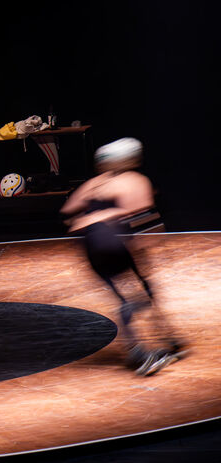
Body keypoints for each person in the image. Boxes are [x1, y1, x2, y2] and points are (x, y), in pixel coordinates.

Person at [61, 137, 184, 376]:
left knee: (124, 297)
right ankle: (163, 339)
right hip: (113, 240)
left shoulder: (92, 184)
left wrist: (90, 218)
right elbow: (144, 219)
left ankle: (139, 348)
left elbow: (68, 212)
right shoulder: (134, 180)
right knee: (142, 289)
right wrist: (140, 241)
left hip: (91, 246)